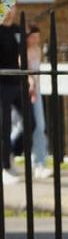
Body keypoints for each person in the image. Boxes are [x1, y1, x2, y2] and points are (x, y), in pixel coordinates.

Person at [0, 11, 20, 186]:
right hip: (2, 84)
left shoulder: (17, 29)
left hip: (17, 83)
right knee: (4, 127)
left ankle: (9, 151)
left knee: (31, 122)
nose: (11, 9)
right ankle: (4, 167)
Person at [26, 25, 49, 178]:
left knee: (40, 126)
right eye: (33, 37)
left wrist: (35, 86)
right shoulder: (22, 51)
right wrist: (31, 83)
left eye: (37, 37)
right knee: (21, 127)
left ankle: (39, 162)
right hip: (25, 92)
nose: (36, 40)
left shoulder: (38, 50)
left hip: (36, 91)